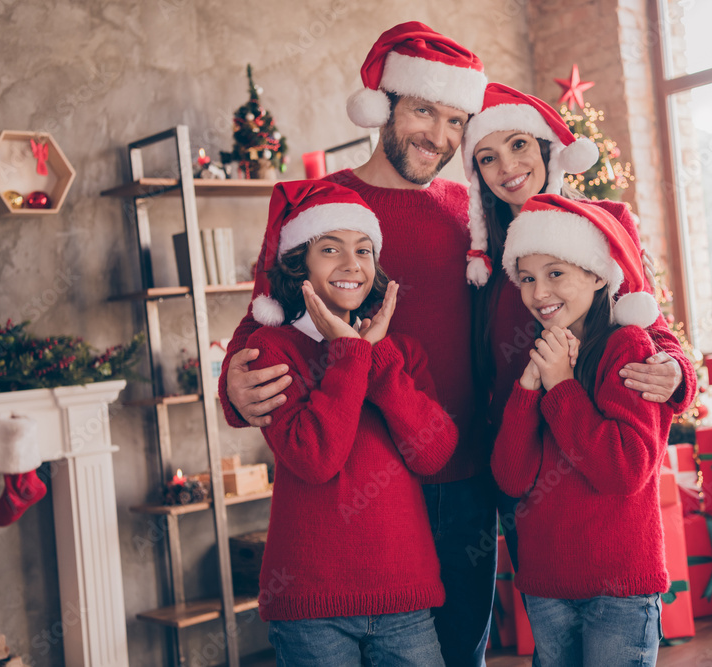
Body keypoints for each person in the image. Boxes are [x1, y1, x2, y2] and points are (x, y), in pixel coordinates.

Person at [221, 23, 502, 666]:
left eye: (456, 120)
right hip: (352, 483)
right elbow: (260, 319)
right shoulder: (316, 205)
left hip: (459, 476)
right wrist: (232, 385)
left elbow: (576, 282)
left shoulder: (475, 211)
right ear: (384, 103)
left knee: (460, 654)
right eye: (425, 111)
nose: (439, 136)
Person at [461, 83, 695, 567]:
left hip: (599, 461)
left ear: (547, 146)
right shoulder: (480, 259)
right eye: (487, 157)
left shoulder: (607, 222)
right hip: (522, 463)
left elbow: (652, 326)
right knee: (550, 616)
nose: (507, 167)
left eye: (519, 144)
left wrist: (675, 370)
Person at [246, 180, 458, 666]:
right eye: (329, 249)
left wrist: (374, 356)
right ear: (298, 263)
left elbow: (434, 452)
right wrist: (348, 356)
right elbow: (316, 458)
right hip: (311, 606)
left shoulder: (398, 352)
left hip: (406, 598)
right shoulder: (272, 352)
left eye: (363, 250)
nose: (351, 264)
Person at [492, 193, 671, 667]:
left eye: (556, 274)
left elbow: (624, 469)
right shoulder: (541, 354)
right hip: (547, 585)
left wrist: (563, 387)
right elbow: (511, 478)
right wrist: (529, 389)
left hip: (618, 589)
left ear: (595, 274)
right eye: (527, 279)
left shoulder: (627, 347)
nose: (539, 293)